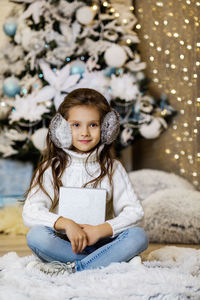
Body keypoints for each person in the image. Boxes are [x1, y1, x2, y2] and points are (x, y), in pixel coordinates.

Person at [23, 88, 148, 276]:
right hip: (65, 245)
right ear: (62, 128)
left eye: (93, 125)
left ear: (106, 127)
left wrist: (101, 230)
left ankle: (73, 269)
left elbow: (135, 212)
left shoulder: (113, 168)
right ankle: (108, 262)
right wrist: (66, 224)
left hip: (103, 243)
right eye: (76, 125)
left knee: (138, 236)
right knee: (36, 236)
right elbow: (30, 212)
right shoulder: (51, 168)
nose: (84, 133)